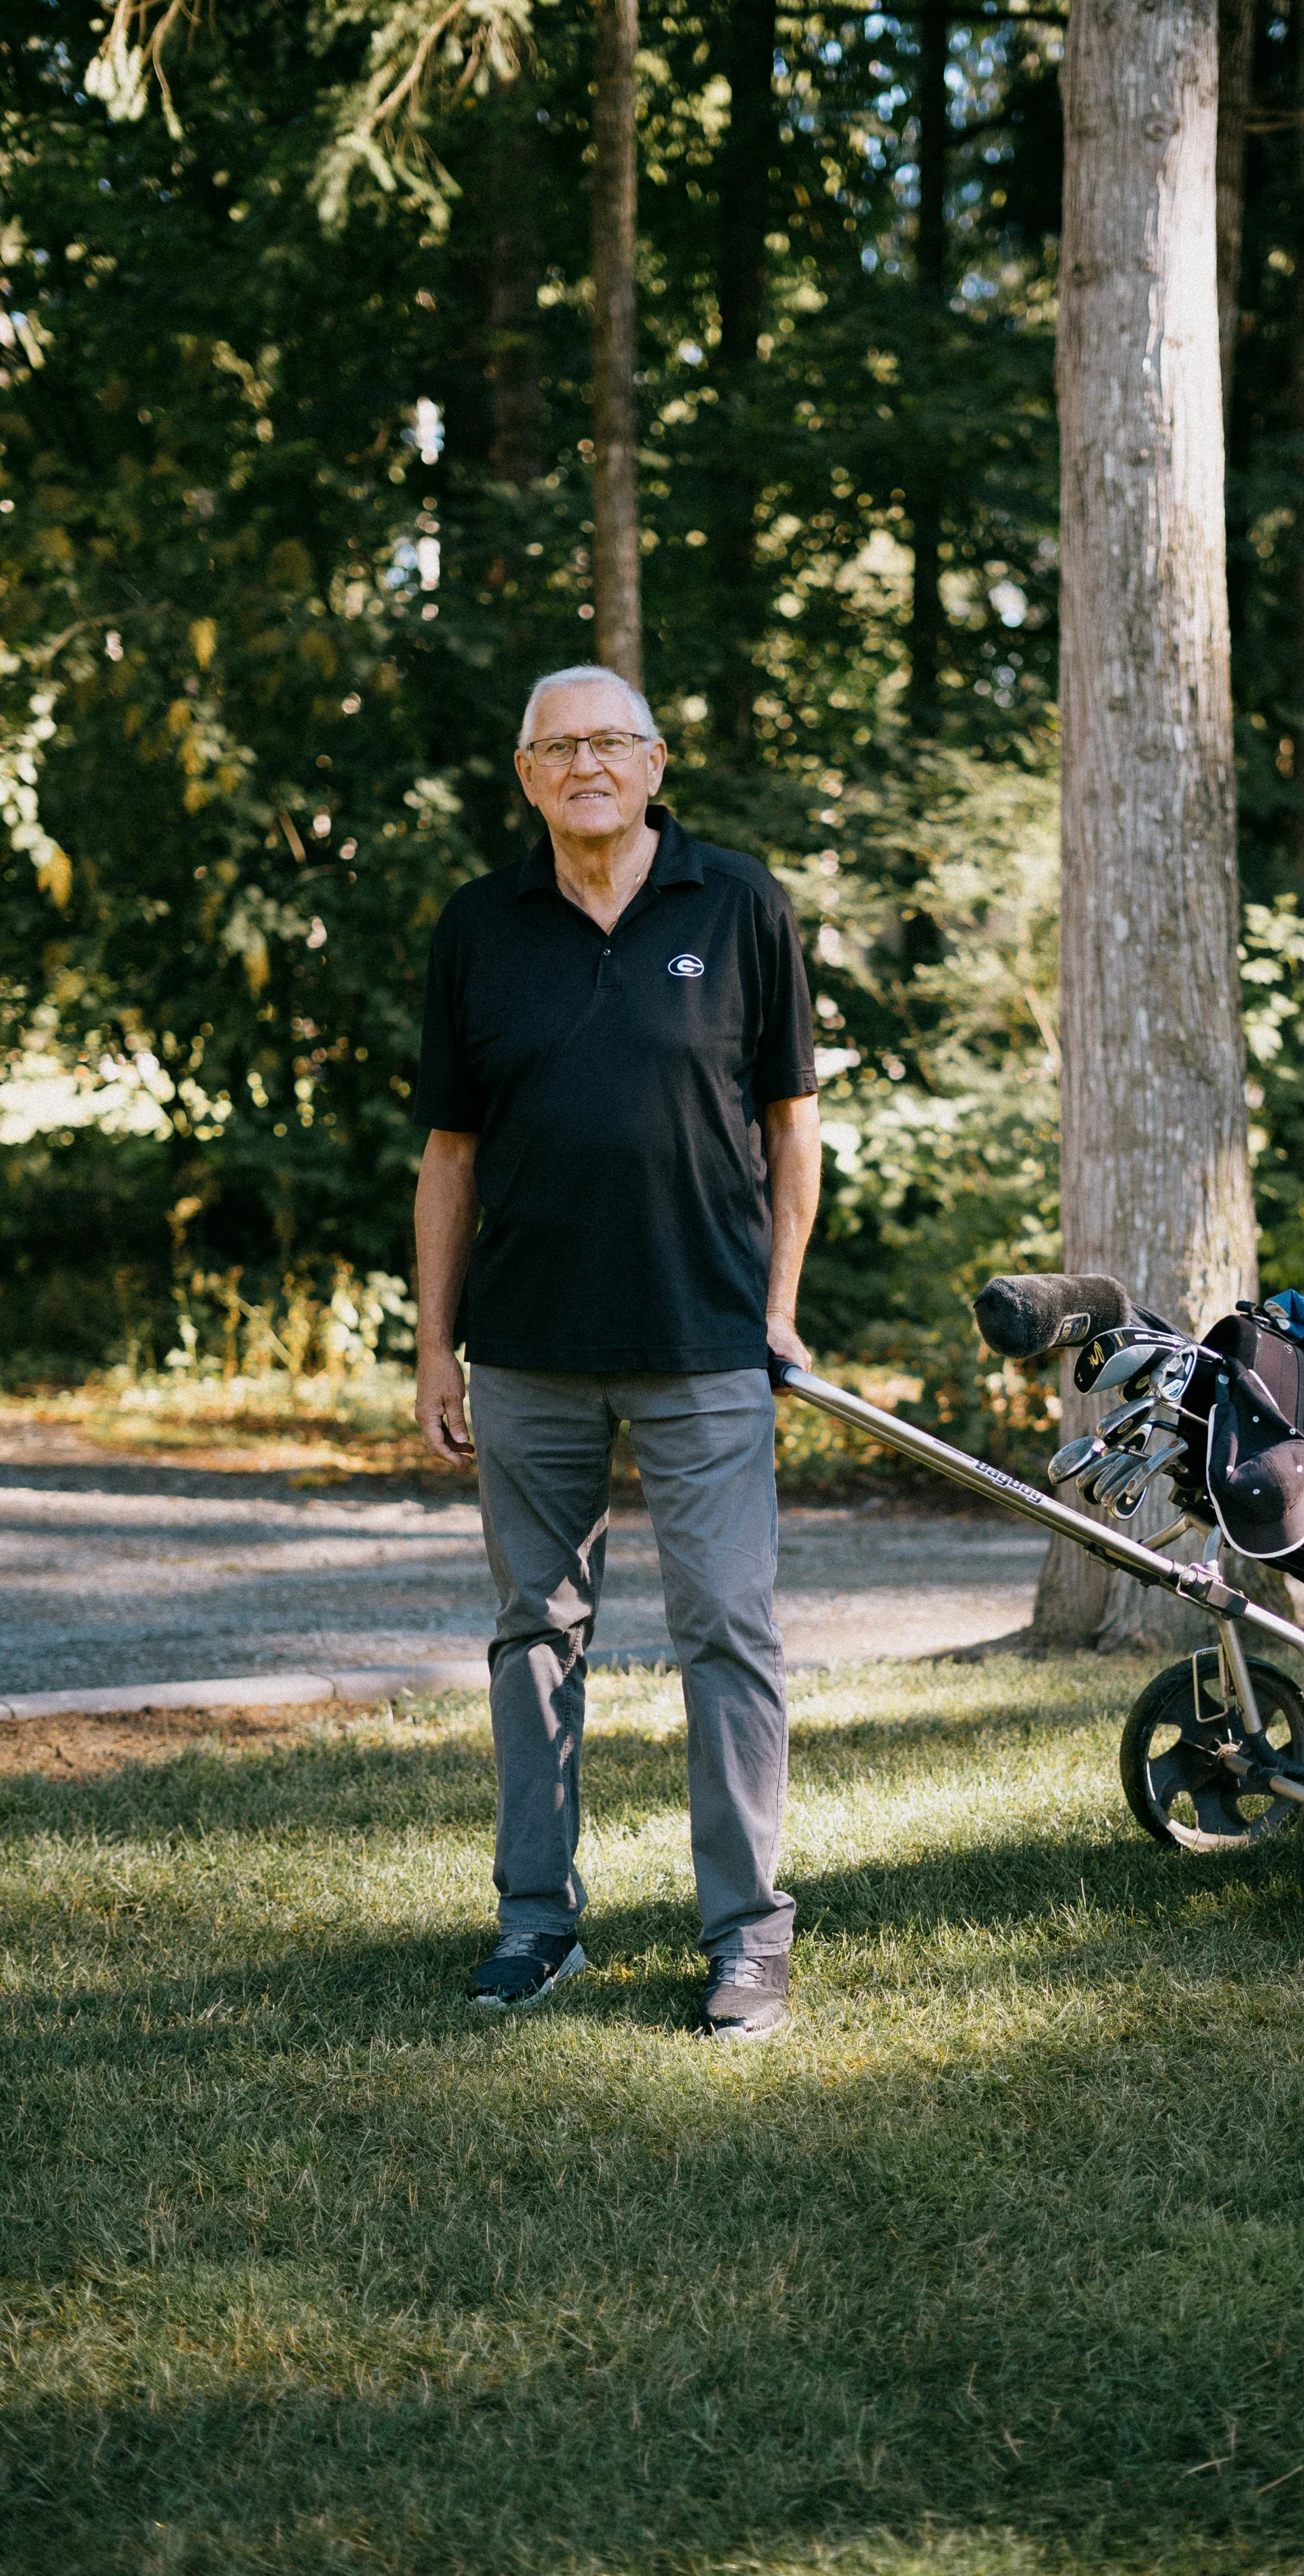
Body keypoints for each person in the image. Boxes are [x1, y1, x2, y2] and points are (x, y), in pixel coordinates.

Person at [412, 664, 821, 2038]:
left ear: (652, 764)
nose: (583, 765)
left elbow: (791, 1125)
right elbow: (447, 1156)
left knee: (729, 1636)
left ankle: (747, 1939)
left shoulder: (740, 901)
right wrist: (432, 1353)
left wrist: (777, 1304)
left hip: (705, 1340)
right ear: (525, 777)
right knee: (533, 1638)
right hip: (524, 1350)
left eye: (607, 743)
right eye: (555, 748)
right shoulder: (480, 926)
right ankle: (537, 1924)